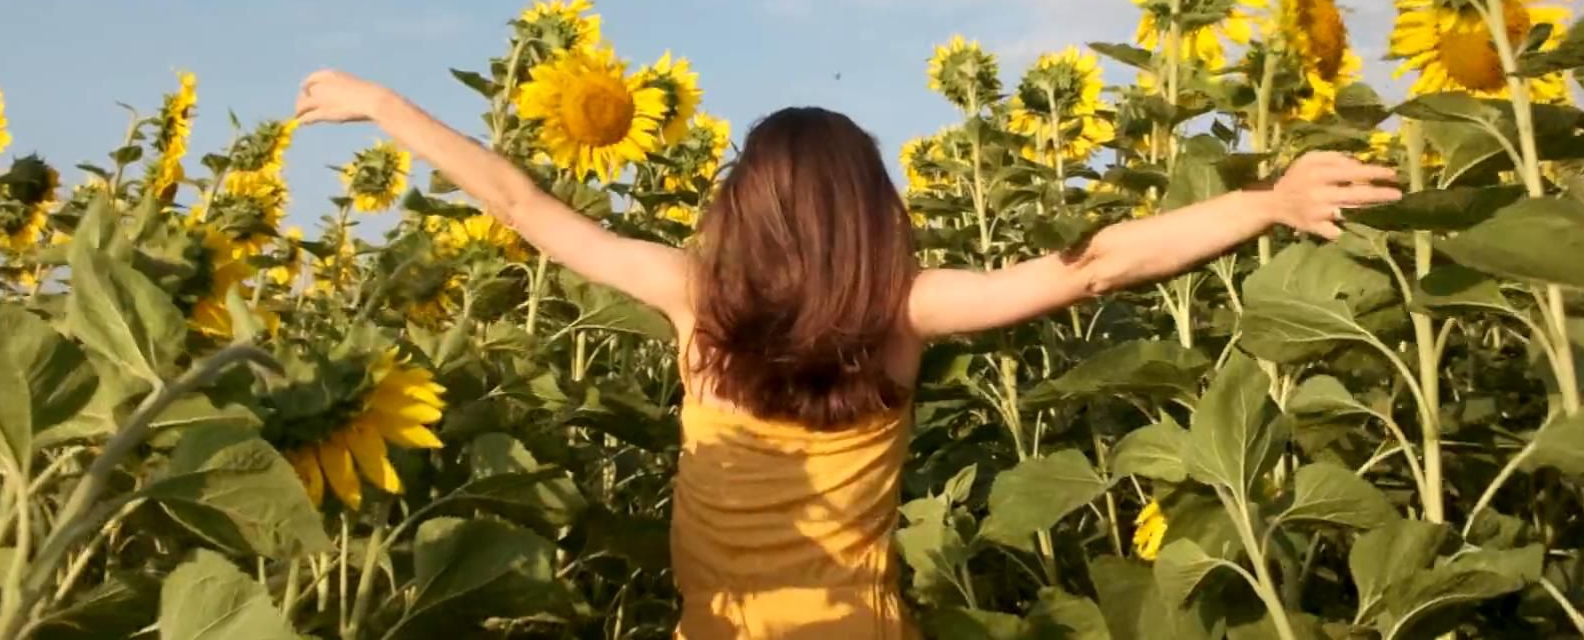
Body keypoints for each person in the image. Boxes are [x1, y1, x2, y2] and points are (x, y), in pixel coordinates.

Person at [293, 70, 1401, 639]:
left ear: (744, 209)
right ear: (869, 212)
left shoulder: (694, 305)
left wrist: (384, 105)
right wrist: (1264, 199)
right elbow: (1092, 266)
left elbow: (524, 204)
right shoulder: (901, 314)